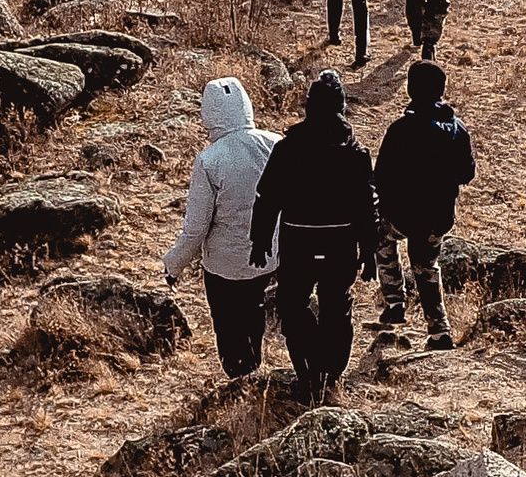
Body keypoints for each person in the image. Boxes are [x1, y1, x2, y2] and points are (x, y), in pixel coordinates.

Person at [249, 71, 380, 402]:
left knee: (293, 306)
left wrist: (260, 240)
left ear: (308, 107)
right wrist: (369, 250)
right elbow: (367, 207)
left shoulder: (288, 148)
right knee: (337, 307)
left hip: (298, 241)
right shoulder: (355, 152)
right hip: (340, 243)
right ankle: (331, 375)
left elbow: (267, 199)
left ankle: (308, 373)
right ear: (342, 108)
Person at [160, 75, 277, 381]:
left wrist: (174, 265)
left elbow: (196, 228)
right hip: (269, 257)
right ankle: (253, 376)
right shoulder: (275, 143)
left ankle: (239, 381)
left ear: (208, 114)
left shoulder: (209, 160)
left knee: (228, 327)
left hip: (224, 265)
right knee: (255, 317)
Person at [373, 60, 475, 349]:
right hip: (437, 216)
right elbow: (467, 173)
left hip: (401, 214)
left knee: (382, 239)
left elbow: (379, 176)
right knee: (427, 266)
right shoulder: (457, 129)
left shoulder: (400, 129)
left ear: (410, 89)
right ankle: (439, 331)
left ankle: (394, 302)